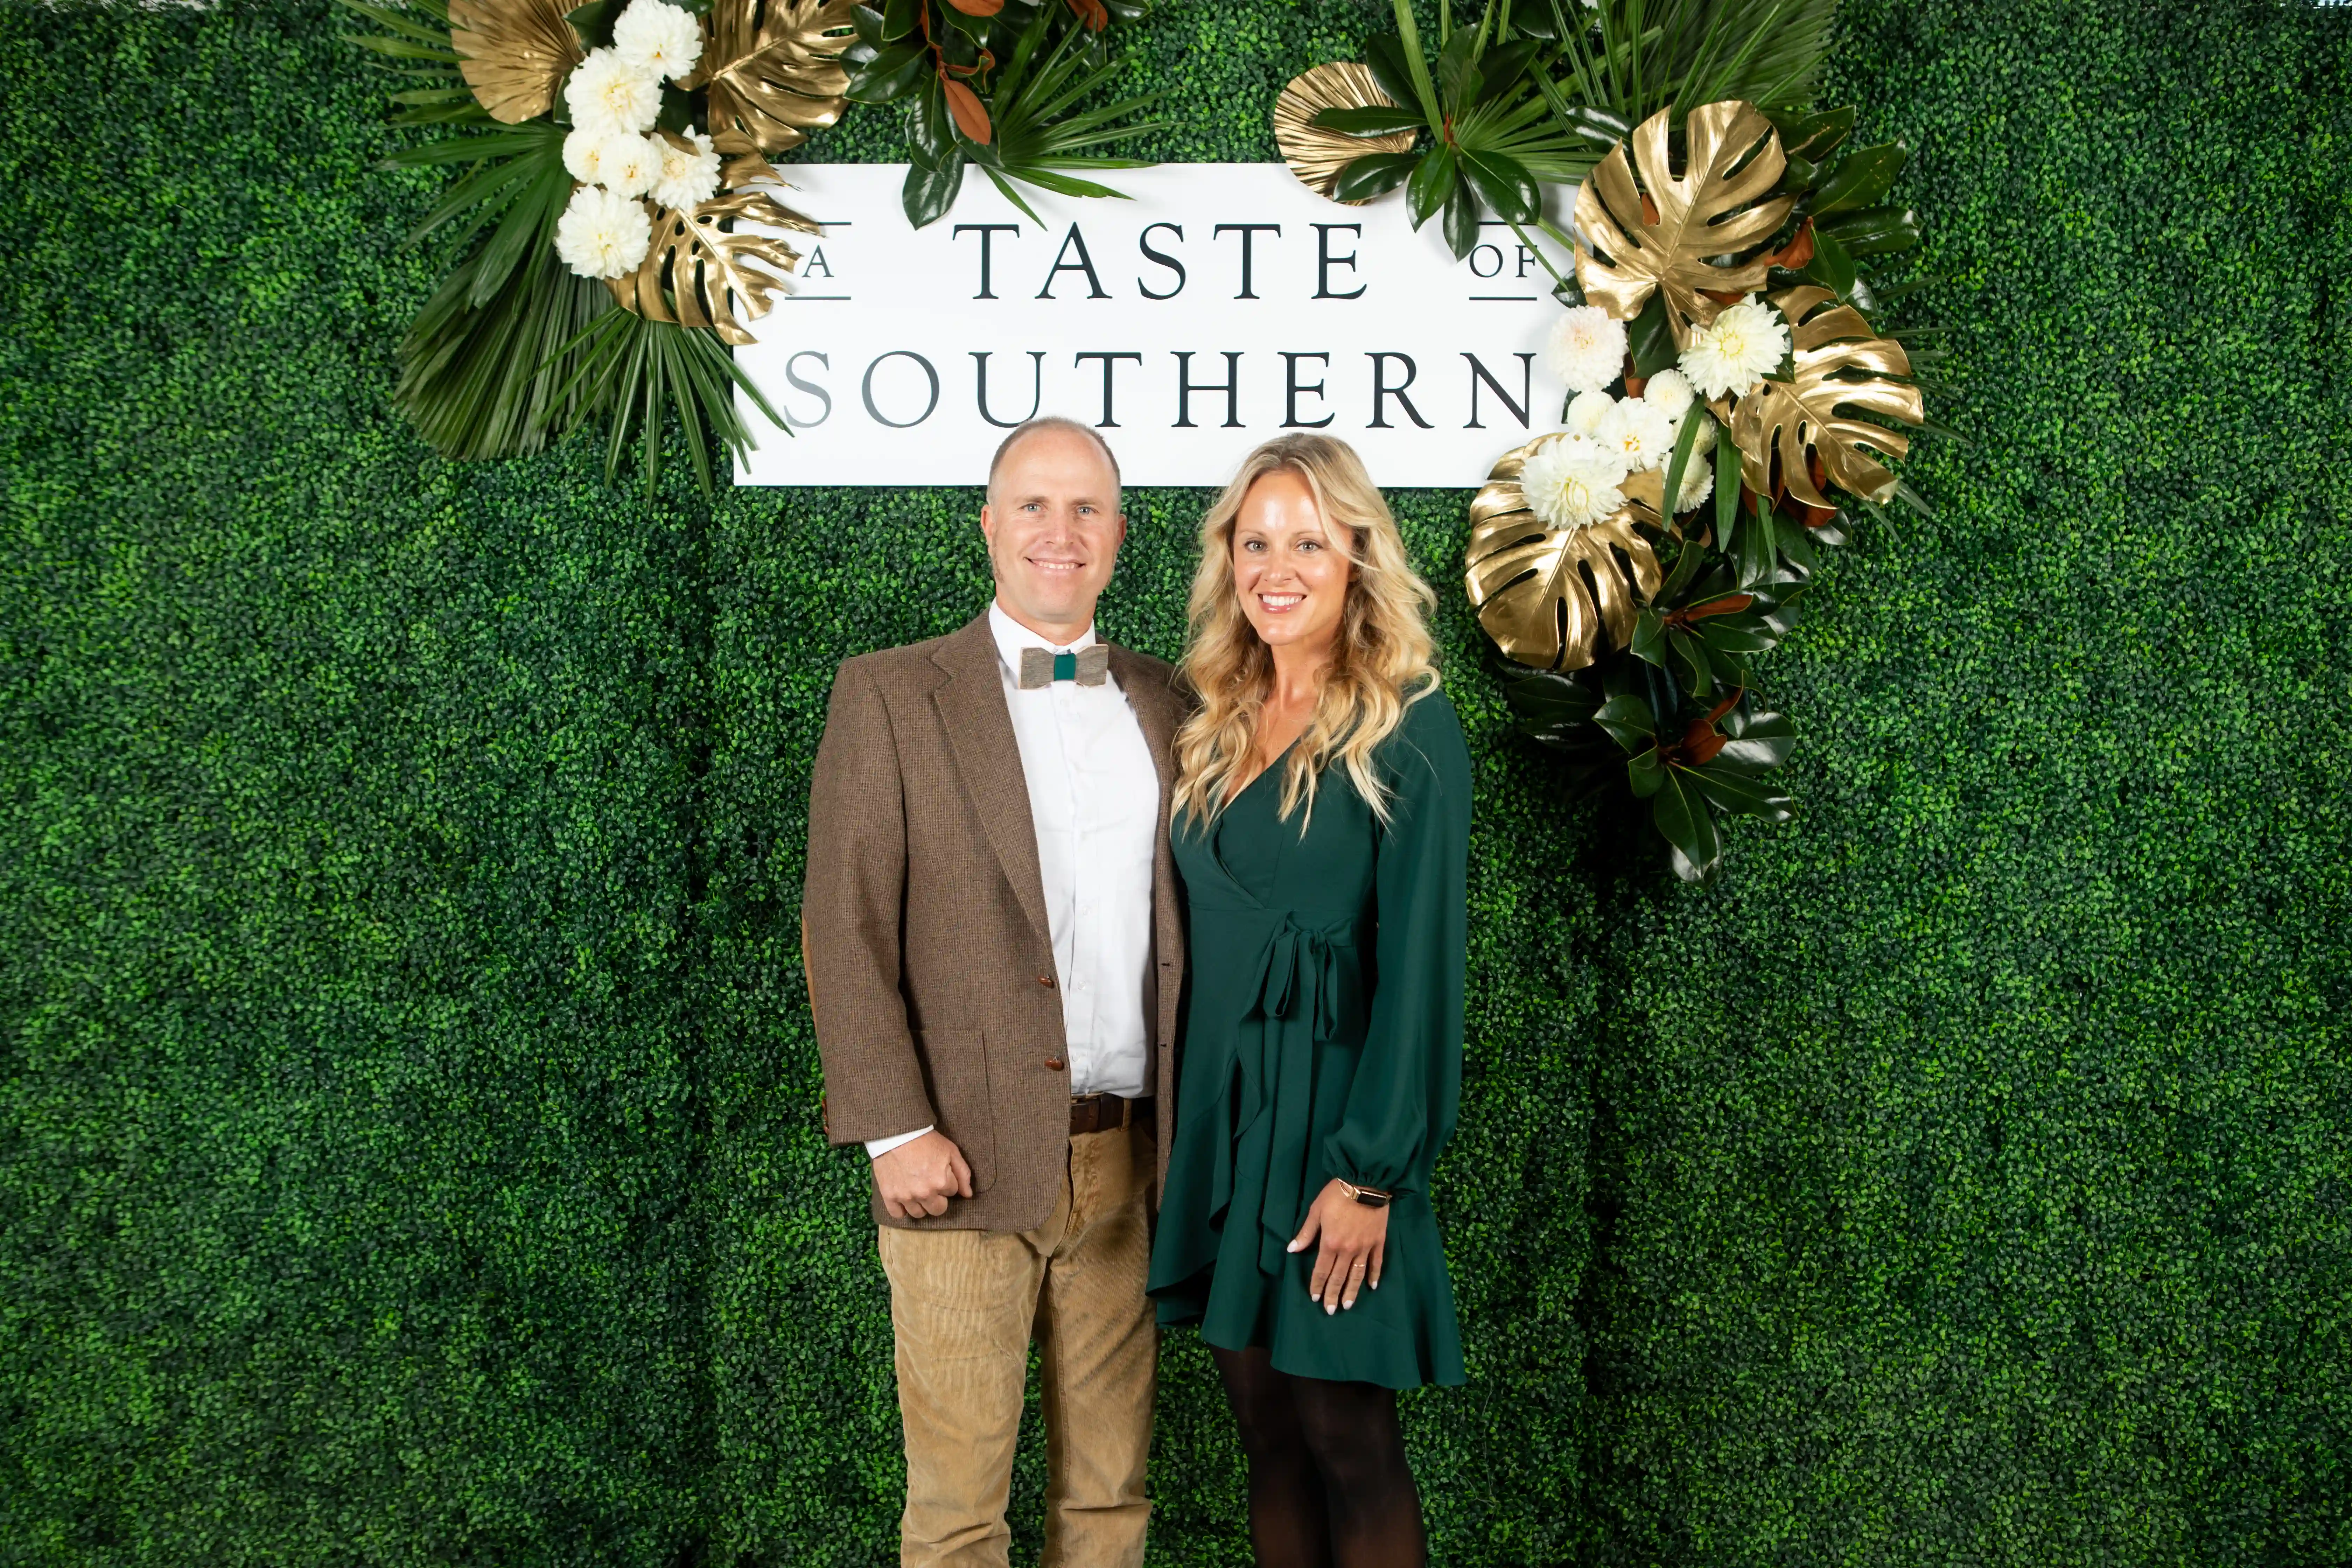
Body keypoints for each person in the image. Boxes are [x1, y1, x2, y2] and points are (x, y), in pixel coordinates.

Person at [802, 416, 1187, 1568]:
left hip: (1129, 1161)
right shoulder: (891, 695)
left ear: (1120, 534)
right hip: (956, 1160)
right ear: (988, 525)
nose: (1058, 534)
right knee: (961, 1514)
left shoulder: (1172, 703)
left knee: (1111, 1500)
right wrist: (894, 1130)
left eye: (1085, 510)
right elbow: (845, 921)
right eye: (1032, 505)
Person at [1146, 433, 1471, 1568]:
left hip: (1340, 1135)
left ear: (1358, 560)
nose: (1276, 567)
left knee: (1348, 1434)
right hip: (1231, 1134)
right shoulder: (1209, 719)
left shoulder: (1408, 724)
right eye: (1255, 540)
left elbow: (1424, 969)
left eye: (1309, 542)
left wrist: (1372, 1172)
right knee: (1267, 1435)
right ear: (1228, 558)